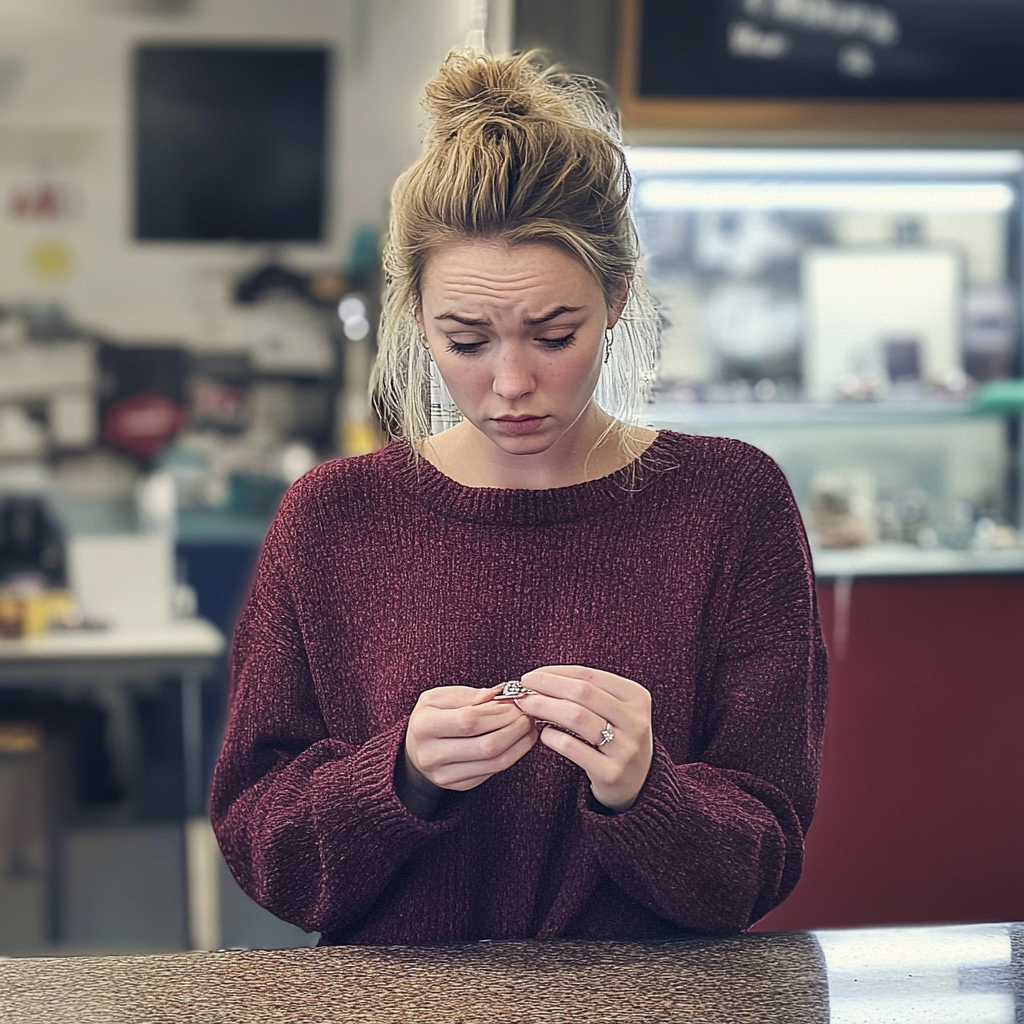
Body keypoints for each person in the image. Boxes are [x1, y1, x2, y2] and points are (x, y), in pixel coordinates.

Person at [210, 49, 827, 946]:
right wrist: (397, 779)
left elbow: (762, 861)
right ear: (417, 318)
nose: (511, 382)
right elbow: (262, 844)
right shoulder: (332, 519)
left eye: (554, 333)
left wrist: (645, 792)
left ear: (616, 298)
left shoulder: (731, 504)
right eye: (466, 340)